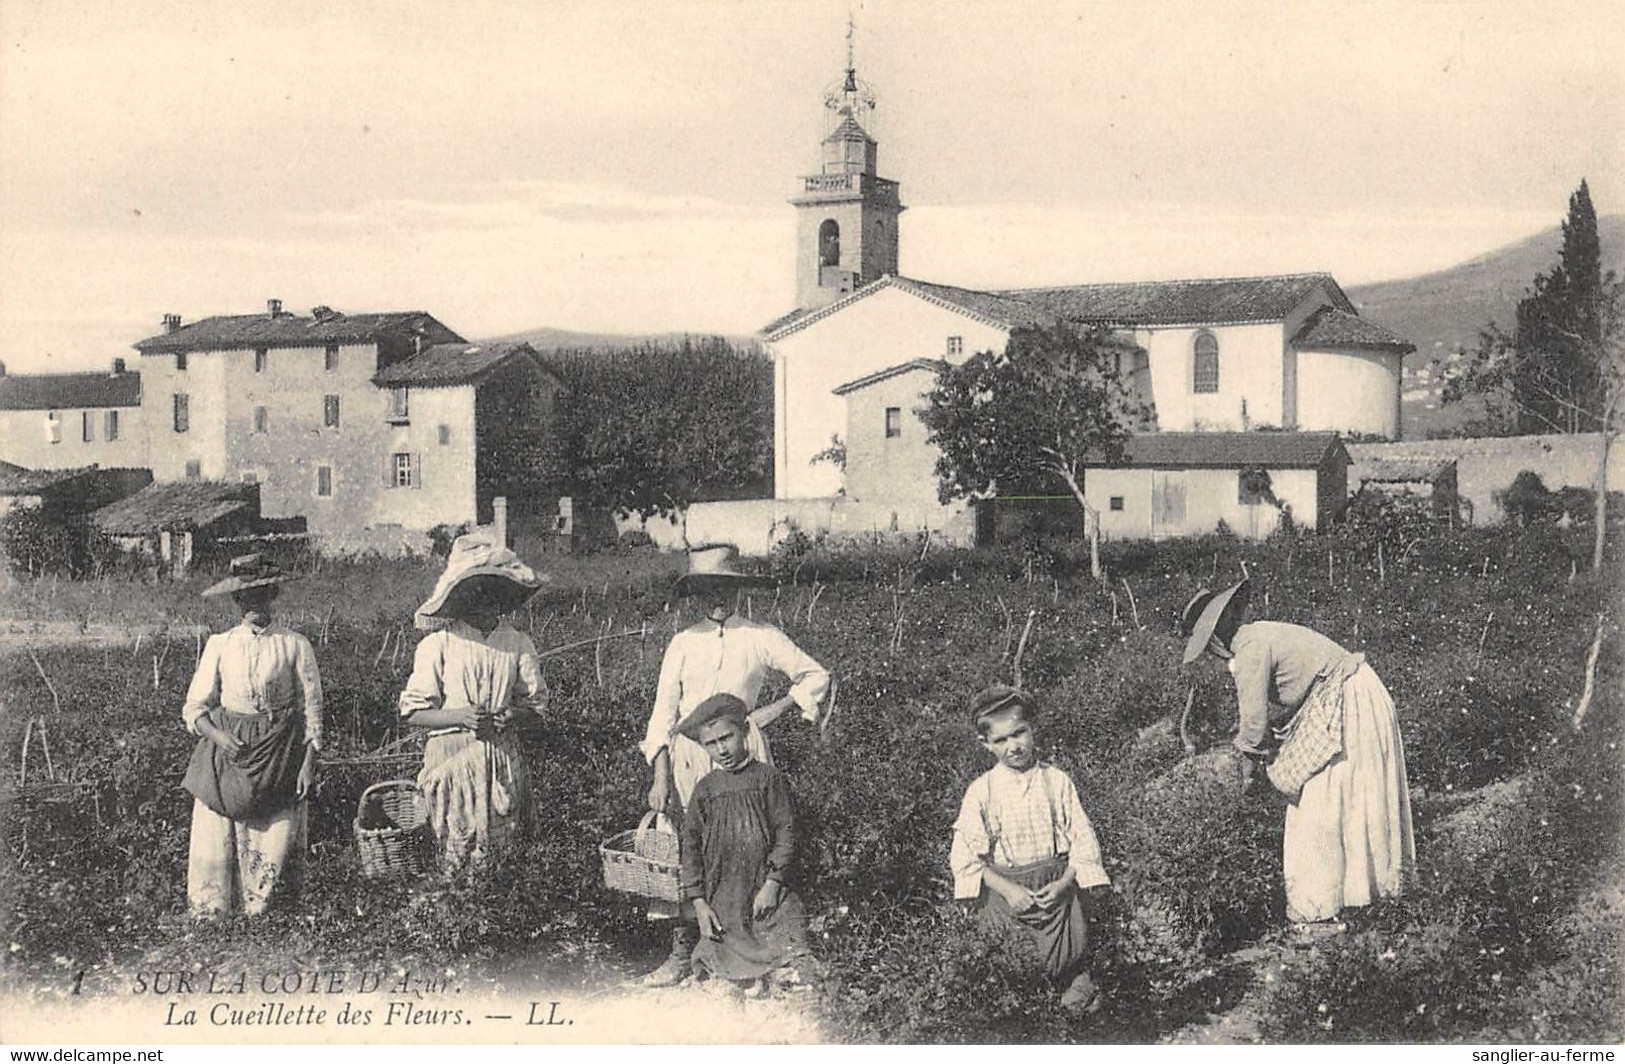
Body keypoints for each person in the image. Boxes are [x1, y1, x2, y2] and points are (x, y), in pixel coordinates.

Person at [1179, 579, 1416, 940]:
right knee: (1349, 799)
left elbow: (1254, 729)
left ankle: (1318, 913)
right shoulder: (1257, 637)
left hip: (1349, 698)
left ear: (1217, 633)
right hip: (1355, 692)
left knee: (1315, 808)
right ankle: (1368, 898)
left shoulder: (1250, 649)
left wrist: (1239, 772)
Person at [637, 544, 830, 987]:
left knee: (750, 850)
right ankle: (683, 952)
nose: (717, 597)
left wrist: (772, 710)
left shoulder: (759, 636)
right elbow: (662, 715)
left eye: (725, 587)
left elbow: (816, 676)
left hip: (746, 756)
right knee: (693, 851)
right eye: (707, 589)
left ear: (738, 588)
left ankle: (756, 947)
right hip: (689, 759)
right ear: (695, 593)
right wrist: (660, 773)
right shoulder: (683, 642)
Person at [950, 686, 1109, 1015]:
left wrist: (1066, 882)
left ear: (1032, 728)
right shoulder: (982, 791)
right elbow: (966, 858)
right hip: (1008, 898)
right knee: (1015, 974)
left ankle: (1071, 1001)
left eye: (1019, 733)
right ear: (986, 745)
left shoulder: (1057, 781)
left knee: (1074, 974)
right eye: (1001, 740)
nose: (1014, 747)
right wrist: (1009, 890)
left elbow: (1082, 838)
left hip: (1056, 894)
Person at [181, 554, 322, 917]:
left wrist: (307, 764)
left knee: (274, 832)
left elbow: (312, 712)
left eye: (261, 595)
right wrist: (219, 736)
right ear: (236, 601)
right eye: (246, 598)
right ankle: (213, 912)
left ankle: (267, 915)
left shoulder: (294, 645)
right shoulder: (221, 644)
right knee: (218, 830)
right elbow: (194, 707)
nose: (253, 604)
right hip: (230, 753)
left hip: (279, 752)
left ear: (272, 595)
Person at [399, 532, 547, 872]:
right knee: (455, 850)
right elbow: (413, 712)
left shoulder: (516, 643)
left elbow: (537, 709)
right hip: (451, 759)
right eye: (476, 591)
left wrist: (513, 716)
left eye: (494, 591)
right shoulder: (439, 645)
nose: (485, 600)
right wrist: (460, 717)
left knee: (501, 853)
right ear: (462, 596)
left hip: (501, 760)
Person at [676, 693, 820, 998]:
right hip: (723, 891)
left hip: (762, 886)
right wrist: (699, 901)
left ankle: (779, 973)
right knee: (718, 944)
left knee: (785, 926)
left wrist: (773, 882)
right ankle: (738, 979)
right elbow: (689, 846)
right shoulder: (705, 790)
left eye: (726, 738)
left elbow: (786, 832)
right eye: (711, 744)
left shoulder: (768, 779)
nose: (721, 749)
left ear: (744, 732)